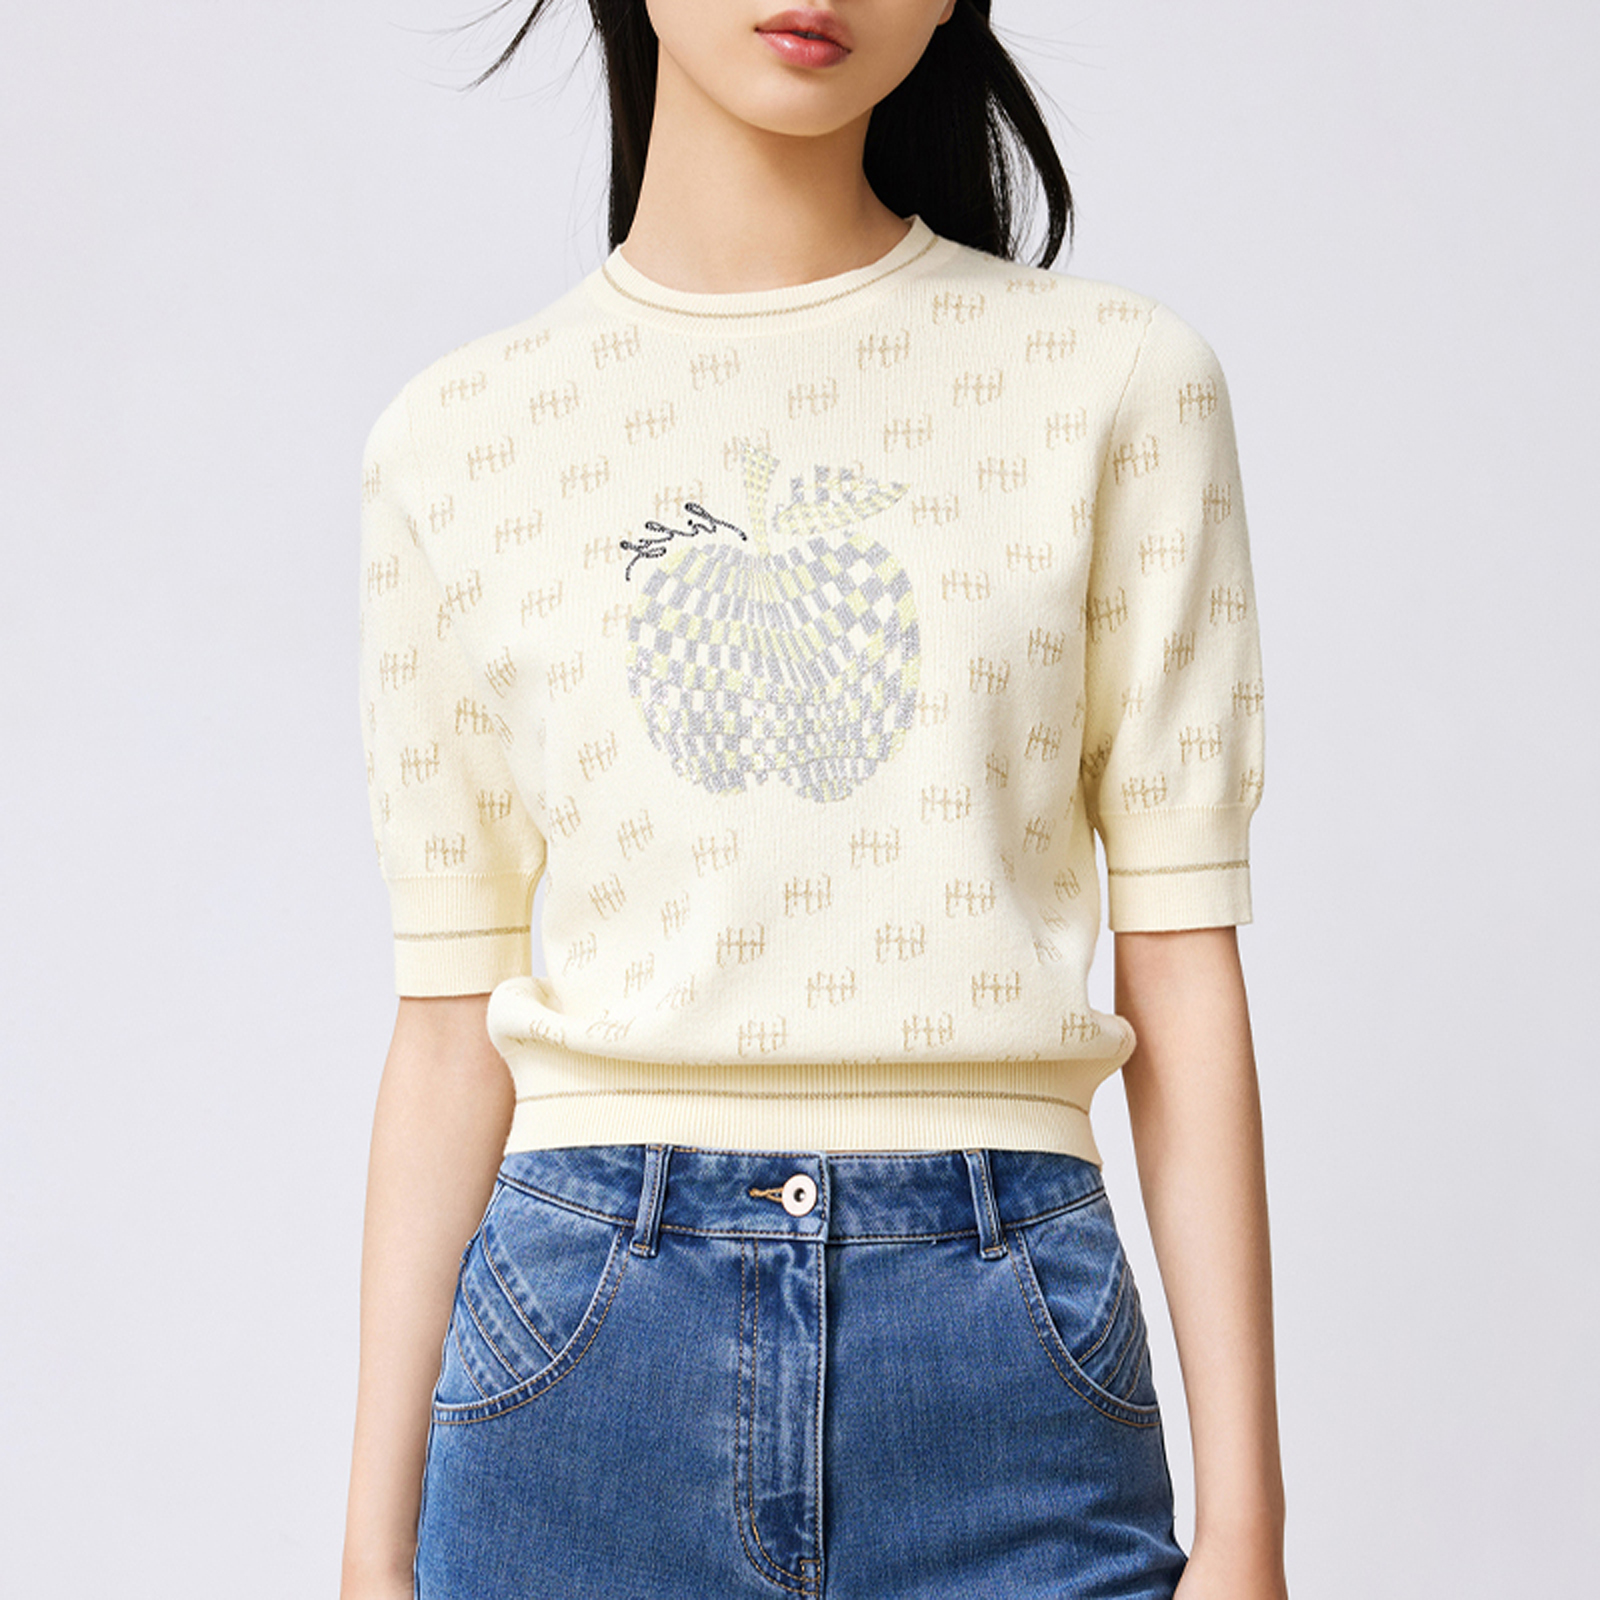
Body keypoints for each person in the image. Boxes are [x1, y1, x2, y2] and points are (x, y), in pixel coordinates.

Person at [340, 3, 1289, 1597]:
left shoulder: (1116, 385)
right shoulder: (456, 441)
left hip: (1005, 1363)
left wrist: (1249, 1526)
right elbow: (447, 1026)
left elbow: (1182, 960)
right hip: (580, 1364)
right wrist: (371, 1556)